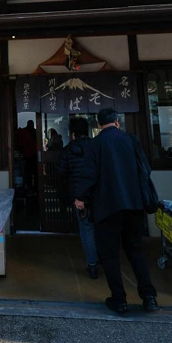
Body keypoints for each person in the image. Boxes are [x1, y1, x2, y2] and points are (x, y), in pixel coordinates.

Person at [75, 107, 158, 315]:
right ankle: (149, 297)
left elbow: (89, 175)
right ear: (117, 121)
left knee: (110, 255)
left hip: (107, 207)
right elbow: (145, 170)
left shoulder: (95, 144)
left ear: (98, 124)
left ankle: (119, 300)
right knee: (135, 250)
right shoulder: (131, 140)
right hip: (134, 204)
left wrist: (80, 198)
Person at [58, 117, 98, 279]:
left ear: (73, 134)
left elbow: (61, 172)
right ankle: (105, 259)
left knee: (86, 228)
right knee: (100, 227)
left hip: (79, 196)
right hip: (98, 193)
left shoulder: (68, 150)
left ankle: (93, 265)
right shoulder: (96, 146)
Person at [15, 120, 38, 194]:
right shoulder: (35, 132)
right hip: (34, 155)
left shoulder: (23, 131)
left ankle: (29, 188)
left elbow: (19, 144)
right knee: (35, 173)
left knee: (28, 173)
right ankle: (36, 189)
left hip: (27, 155)